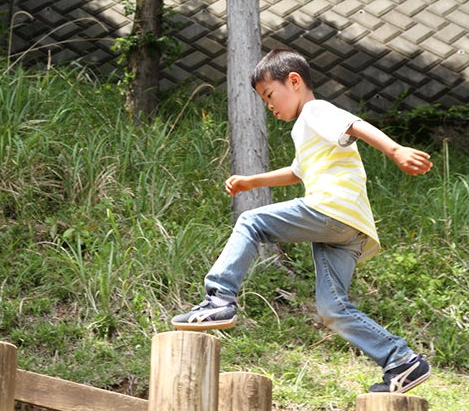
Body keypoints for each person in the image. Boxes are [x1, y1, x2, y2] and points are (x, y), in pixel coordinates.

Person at [171, 48, 433, 394]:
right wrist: (253, 181)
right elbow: (297, 172)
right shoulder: (306, 129)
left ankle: (218, 299)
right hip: (349, 228)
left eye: (269, 95)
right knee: (332, 308)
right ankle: (402, 361)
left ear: (293, 81)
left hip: (332, 210)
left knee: (251, 223)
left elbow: (354, 124)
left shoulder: (315, 110)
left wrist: (394, 149)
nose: (270, 106)